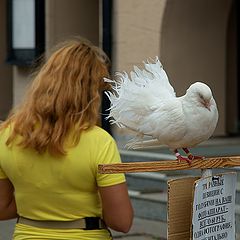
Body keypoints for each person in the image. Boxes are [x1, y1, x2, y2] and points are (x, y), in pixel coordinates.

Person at [0, 37, 133, 239]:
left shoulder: (7, 134)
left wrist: (42, 198)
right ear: (90, 94)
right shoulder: (99, 141)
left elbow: (3, 209)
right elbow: (121, 221)